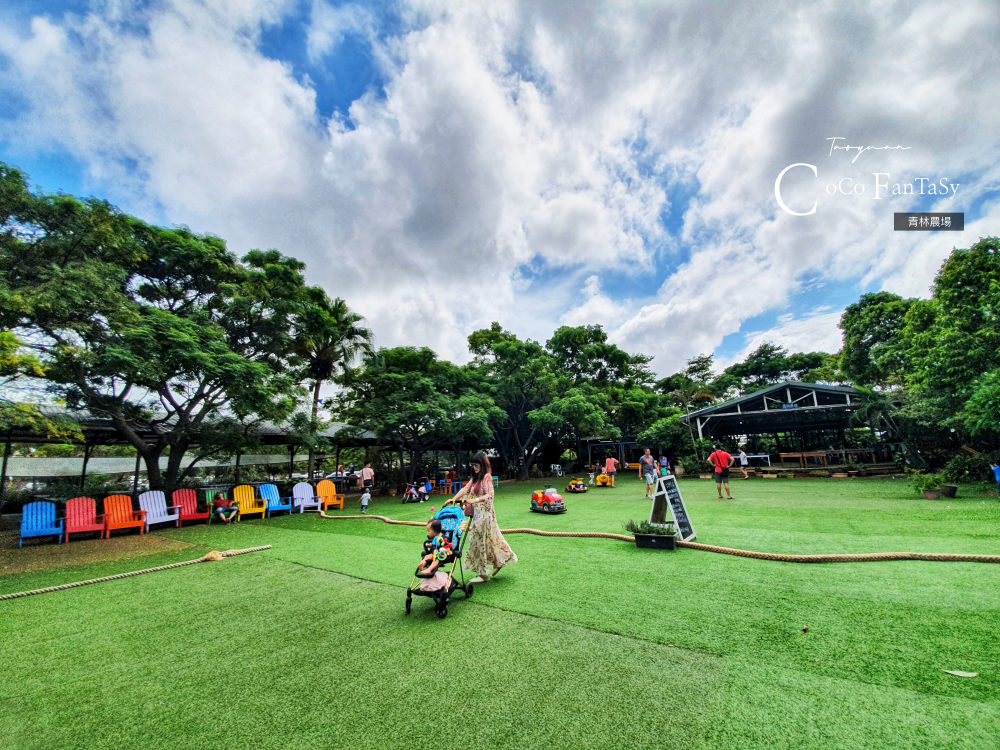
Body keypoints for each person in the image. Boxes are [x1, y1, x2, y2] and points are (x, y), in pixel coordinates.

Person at [445, 453, 516, 584]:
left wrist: (475, 500)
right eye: (473, 465)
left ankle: (483, 575)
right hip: (478, 513)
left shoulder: (487, 477)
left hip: (485, 515)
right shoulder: (475, 478)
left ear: (483, 465)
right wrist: (453, 499)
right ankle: (500, 560)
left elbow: (490, 495)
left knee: (477, 543)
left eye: (477, 465)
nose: (474, 467)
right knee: (491, 539)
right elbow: (466, 489)